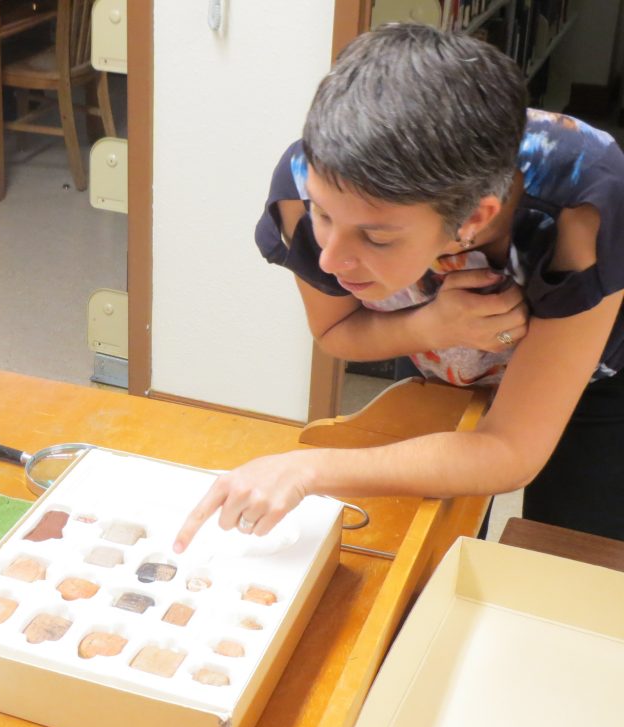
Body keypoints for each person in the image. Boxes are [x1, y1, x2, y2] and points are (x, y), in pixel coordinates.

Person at [175, 23, 624, 553]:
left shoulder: (582, 205)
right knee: (435, 542)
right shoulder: (307, 182)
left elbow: (510, 450)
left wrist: (307, 468)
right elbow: (337, 329)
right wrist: (432, 325)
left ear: (473, 220)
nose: (331, 258)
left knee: (573, 564)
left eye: (377, 236)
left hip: (599, 383)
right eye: (324, 215)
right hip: (445, 368)